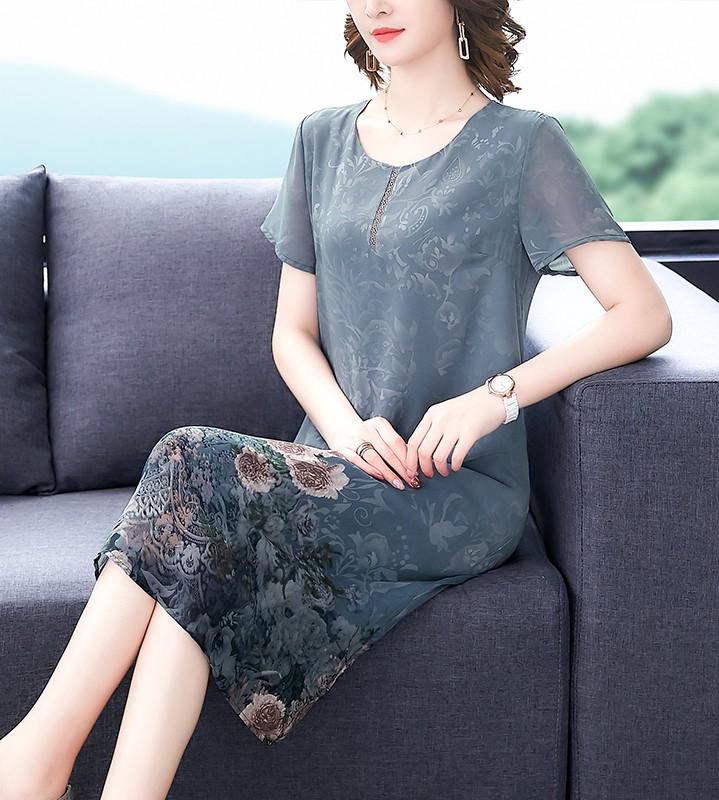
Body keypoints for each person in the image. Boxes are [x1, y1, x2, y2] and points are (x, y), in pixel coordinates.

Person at [0, 1, 672, 798]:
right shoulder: (320, 139)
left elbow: (643, 313)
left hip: (451, 488)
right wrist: (346, 430)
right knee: (200, 551)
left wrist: (496, 397)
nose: (377, 4)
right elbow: (292, 333)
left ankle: (30, 764)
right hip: (328, 462)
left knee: (187, 461)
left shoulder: (524, 146)